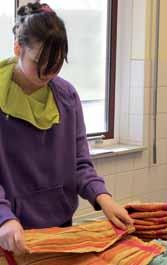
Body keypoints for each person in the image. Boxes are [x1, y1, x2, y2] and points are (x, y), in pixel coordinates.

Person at [0, 2, 133, 255]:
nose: (49, 73)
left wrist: (103, 198)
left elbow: (80, 163)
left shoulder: (67, 96)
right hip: (10, 232)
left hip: (60, 226)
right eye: (40, 62)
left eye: (57, 63)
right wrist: (4, 218)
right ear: (18, 48)